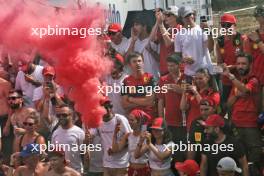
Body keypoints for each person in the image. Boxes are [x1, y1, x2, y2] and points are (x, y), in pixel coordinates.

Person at [224, 52, 263, 174]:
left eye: (243, 64)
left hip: (250, 126)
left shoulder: (254, 80)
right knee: (237, 161)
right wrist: (236, 94)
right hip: (235, 125)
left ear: (250, 65)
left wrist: (231, 77)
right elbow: (228, 104)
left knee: (254, 161)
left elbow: (246, 90)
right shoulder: (236, 82)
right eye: (238, 63)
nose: (240, 66)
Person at [157, 53, 186, 170]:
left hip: (184, 122)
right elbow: (160, 101)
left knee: (181, 152)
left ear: (179, 65)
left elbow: (189, 94)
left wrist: (176, 88)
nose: (170, 68)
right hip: (169, 123)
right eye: (168, 65)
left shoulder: (186, 78)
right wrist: (160, 121)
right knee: (168, 153)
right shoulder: (163, 80)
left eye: (173, 65)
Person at [216, 14, 248, 112]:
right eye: (223, 25)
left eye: (228, 25)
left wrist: (231, 67)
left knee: (240, 106)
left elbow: (247, 61)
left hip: (241, 80)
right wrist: (222, 67)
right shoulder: (220, 42)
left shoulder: (242, 39)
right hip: (226, 81)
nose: (225, 28)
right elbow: (218, 64)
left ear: (235, 25)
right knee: (225, 107)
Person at [94, 97, 132, 176]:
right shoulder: (98, 121)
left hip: (121, 163)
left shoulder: (120, 119)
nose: (108, 109)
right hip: (107, 164)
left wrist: (116, 148)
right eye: (105, 107)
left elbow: (130, 138)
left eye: (110, 106)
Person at [175, 6, 213, 83]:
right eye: (186, 16)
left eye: (190, 14)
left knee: (208, 95)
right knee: (190, 95)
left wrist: (209, 32)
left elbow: (210, 48)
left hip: (204, 72)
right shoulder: (178, 35)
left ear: (194, 15)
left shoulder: (202, 30)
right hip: (189, 74)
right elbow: (177, 57)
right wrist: (184, 59)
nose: (189, 17)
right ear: (181, 19)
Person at [110, 109, 151, 176]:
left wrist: (141, 141)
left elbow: (136, 155)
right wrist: (115, 134)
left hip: (143, 171)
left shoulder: (147, 136)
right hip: (131, 170)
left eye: (132, 120)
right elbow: (115, 149)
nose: (129, 122)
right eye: (129, 120)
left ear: (139, 122)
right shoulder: (128, 135)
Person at [121, 52, 156, 121]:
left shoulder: (150, 78)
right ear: (129, 65)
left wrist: (131, 99)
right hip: (133, 120)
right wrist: (143, 102)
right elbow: (125, 104)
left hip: (148, 118)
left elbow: (150, 102)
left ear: (143, 62)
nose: (138, 63)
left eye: (139, 61)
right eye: (134, 61)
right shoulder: (126, 81)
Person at [51, 104, 85, 174]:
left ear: (71, 116)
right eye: (58, 115)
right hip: (60, 172)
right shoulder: (55, 133)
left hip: (75, 172)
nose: (61, 117)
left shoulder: (79, 132)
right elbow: (53, 154)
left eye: (64, 115)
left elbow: (84, 153)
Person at [33, 66, 64, 140]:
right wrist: (44, 95)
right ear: (43, 76)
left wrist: (55, 92)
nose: (48, 78)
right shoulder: (37, 90)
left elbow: (62, 106)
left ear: (54, 76)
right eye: (46, 76)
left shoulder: (59, 88)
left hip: (56, 122)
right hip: (42, 124)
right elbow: (38, 108)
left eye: (50, 76)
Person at [150, 6, 181, 75]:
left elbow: (169, 44)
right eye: (165, 15)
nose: (165, 17)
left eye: (168, 15)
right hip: (164, 68)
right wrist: (157, 22)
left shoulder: (180, 28)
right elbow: (152, 38)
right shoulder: (165, 29)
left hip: (175, 69)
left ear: (176, 16)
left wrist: (161, 25)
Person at [246, 5, 264, 111]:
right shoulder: (253, 35)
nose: (259, 18)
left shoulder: (255, 37)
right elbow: (248, 57)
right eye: (258, 15)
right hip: (256, 77)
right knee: (257, 109)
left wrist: (258, 41)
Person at [187, 98, 216, 163]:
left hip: (215, 157)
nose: (203, 112)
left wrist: (207, 125)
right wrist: (189, 163)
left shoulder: (221, 122)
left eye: (206, 109)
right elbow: (192, 144)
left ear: (214, 109)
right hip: (199, 158)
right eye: (201, 110)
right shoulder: (196, 122)